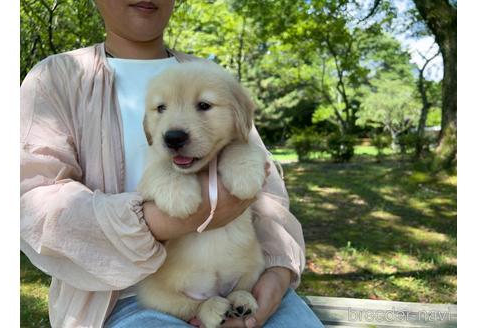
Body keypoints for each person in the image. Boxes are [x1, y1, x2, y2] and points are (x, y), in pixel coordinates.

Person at [20, 0, 324, 327]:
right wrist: (166, 221)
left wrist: (276, 274)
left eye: (204, 105)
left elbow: (267, 195)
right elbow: (31, 202)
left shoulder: (211, 75)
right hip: (123, 299)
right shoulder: (55, 78)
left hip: (245, 281)